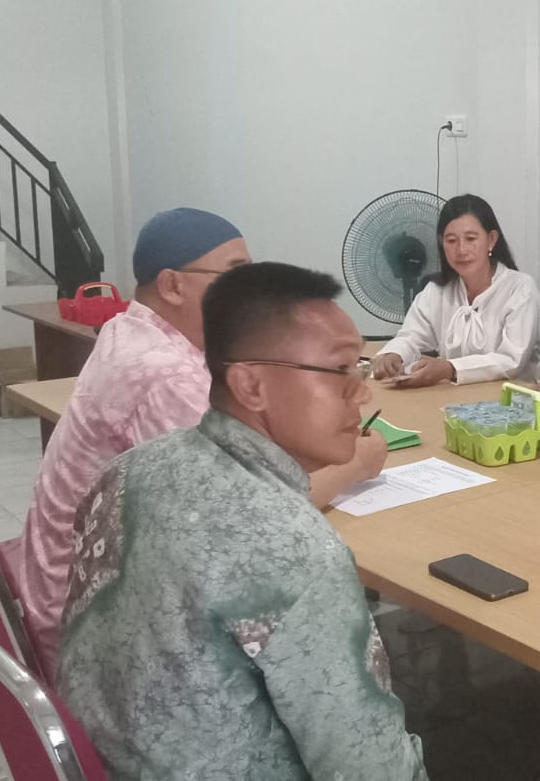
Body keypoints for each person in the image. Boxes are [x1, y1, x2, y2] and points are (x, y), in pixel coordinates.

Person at [58, 263, 427, 781]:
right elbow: (371, 769)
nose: (361, 393)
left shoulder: (129, 471)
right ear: (251, 385)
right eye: (339, 370)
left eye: (359, 368)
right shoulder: (297, 553)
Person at [7, 208, 387, 680]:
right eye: (233, 276)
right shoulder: (165, 373)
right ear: (172, 285)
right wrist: (356, 464)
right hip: (92, 630)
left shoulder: (130, 330)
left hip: (70, 583)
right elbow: (251, 511)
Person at [371, 194, 540, 386]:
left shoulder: (520, 289)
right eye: (451, 240)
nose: (461, 250)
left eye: (471, 239)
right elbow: (411, 336)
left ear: (491, 239)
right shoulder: (437, 290)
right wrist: (394, 354)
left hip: (514, 396)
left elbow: (512, 361)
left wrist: (450, 368)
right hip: (454, 396)